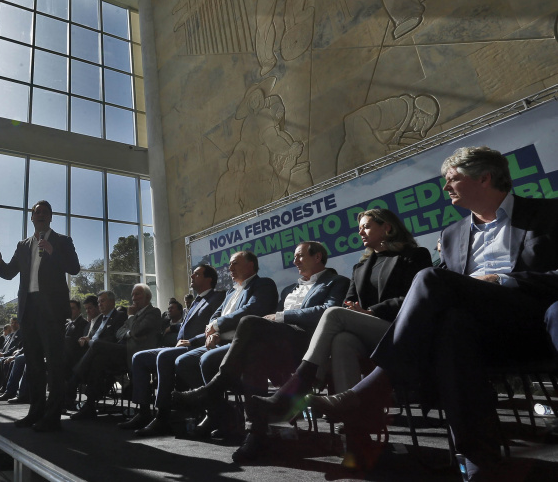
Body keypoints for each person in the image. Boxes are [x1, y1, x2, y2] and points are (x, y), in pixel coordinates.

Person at [306, 147, 558, 477]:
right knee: (452, 326)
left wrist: (502, 279)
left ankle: (370, 389)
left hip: (531, 317)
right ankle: (478, 463)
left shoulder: (546, 213)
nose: (445, 187)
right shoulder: (452, 236)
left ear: (484, 178)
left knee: (428, 279)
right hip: (477, 330)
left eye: (452, 179)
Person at [244, 210, 430, 461]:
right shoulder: (361, 265)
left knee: (332, 314)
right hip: (365, 333)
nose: (360, 232)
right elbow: (348, 301)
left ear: (387, 228)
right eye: (359, 228)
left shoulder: (414, 256)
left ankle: (298, 385)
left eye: (365, 227)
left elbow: (414, 297)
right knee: (342, 341)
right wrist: (354, 308)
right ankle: (356, 439)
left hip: (398, 329)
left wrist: (369, 310)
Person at [174, 241, 352, 460]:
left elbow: (327, 311)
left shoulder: (336, 282)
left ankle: (216, 386)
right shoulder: (289, 289)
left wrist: (282, 316)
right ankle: (256, 434)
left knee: (249, 322)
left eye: (299, 256)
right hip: (276, 345)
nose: (294, 261)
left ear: (317, 257)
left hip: (306, 344)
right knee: (253, 354)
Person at [0, 200, 80, 432]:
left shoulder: (62, 241)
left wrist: (52, 253)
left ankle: (53, 416)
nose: (40, 215)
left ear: (51, 217)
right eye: (36, 212)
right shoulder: (23, 245)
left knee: (54, 364)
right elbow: (11, 273)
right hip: (29, 311)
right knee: (33, 366)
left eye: (44, 212)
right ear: (31, 218)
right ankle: (35, 411)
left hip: (52, 311)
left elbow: (74, 268)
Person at [173, 251, 278, 436]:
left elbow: (252, 310)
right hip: (220, 341)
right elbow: (216, 315)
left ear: (250, 265)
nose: (230, 268)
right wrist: (214, 332)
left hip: (245, 343)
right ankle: (222, 412)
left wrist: (216, 326)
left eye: (235, 263)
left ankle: (219, 416)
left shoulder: (263, 284)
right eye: (230, 264)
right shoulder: (230, 292)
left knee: (207, 360)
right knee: (183, 362)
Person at [121, 265, 226, 435]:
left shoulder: (218, 298)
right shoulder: (195, 302)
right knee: (139, 357)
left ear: (209, 279)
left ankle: (162, 416)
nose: (191, 275)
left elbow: (214, 327)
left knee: (164, 356)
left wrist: (191, 341)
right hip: (179, 346)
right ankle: (143, 412)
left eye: (197, 274)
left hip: (197, 346)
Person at [69, 285, 161, 421]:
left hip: (136, 352)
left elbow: (138, 330)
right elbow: (120, 333)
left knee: (97, 344)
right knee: (98, 360)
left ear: (148, 296)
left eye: (138, 295)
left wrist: (130, 321)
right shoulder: (134, 314)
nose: (134, 298)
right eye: (133, 295)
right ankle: (89, 405)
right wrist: (130, 333)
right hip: (122, 351)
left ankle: (73, 381)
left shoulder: (153, 312)